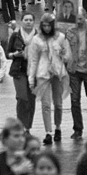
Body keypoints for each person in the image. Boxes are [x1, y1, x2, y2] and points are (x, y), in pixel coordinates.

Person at [28, 13, 70, 146]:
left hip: (57, 73)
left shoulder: (61, 37)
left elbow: (67, 55)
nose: (46, 28)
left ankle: (58, 127)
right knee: (45, 104)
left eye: (48, 25)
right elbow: (33, 59)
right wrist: (31, 77)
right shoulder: (36, 39)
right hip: (43, 73)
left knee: (58, 104)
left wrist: (63, 54)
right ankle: (48, 132)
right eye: (44, 25)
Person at [7, 13, 36, 132]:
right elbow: (7, 54)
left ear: (34, 22)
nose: (28, 22)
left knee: (31, 100)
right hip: (19, 70)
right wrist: (15, 54)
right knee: (22, 98)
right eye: (26, 20)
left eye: (30, 20)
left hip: (34, 71)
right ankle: (21, 125)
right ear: (22, 21)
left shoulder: (38, 36)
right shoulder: (16, 35)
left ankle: (27, 127)